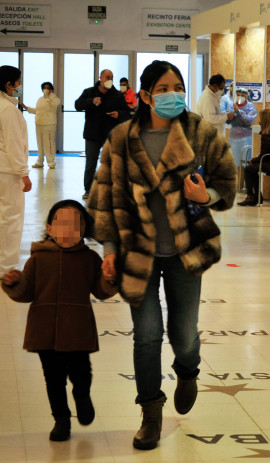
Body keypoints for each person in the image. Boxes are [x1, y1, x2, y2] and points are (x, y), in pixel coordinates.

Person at [88, 60, 237, 450]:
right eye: (165, 87)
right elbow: (103, 197)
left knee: (184, 334)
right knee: (147, 335)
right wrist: (108, 249)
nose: (173, 94)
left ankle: (188, 371)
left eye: (178, 86)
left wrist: (208, 196)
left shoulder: (200, 132)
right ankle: (150, 413)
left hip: (185, 249)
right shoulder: (120, 137)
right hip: (137, 252)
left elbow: (226, 180)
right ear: (147, 94)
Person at [1, 200, 118, 442]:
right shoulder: (38, 259)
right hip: (44, 330)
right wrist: (14, 283)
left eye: (75, 226)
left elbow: (100, 290)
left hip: (77, 329)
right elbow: (27, 292)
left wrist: (109, 278)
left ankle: (82, 396)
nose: (67, 231)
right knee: (53, 378)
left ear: (84, 231)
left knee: (82, 372)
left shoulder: (90, 259)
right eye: (61, 225)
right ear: (50, 229)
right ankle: (61, 419)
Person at [74, 69, 130, 200]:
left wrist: (119, 114)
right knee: (91, 163)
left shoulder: (117, 95)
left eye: (111, 77)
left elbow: (127, 112)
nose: (109, 79)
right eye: (107, 77)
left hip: (110, 135)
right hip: (92, 134)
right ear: (100, 78)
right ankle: (88, 190)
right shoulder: (89, 92)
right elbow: (77, 105)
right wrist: (91, 101)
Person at [0, 65, 32, 275]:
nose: (19, 86)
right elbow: (13, 145)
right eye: (18, 83)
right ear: (8, 84)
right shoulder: (8, 110)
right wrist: (24, 174)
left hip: (3, 168)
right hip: (8, 171)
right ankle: (7, 267)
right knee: (11, 218)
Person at [237, 109, 270, 206]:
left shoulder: (267, 132)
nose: (259, 121)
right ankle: (256, 196)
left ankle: (252, 196)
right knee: (253, 168)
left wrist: (253, 159)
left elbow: (264, 153)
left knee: (248, 169)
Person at [24, 81, 60, 169]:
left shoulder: (54, 99)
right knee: (40, 144)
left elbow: (56, 104)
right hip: (39, 124)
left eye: (48, 88)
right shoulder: (40, 99)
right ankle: (40, 161)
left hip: (49, 125)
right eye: (44, 88)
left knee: (49, 144)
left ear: (51, 89)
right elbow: (37, 111)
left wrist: (51, 95)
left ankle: (51, 162)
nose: (46, 90)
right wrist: (26, 108)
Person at [228, 87, 258, 168]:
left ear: (245, 96)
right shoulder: (232, 106)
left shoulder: (250, 107)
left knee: (245, 162)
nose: (239, 97)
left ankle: (244, 180)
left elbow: (249, 121)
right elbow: (228, 120)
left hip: (246, 138)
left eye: (242, 95)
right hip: (233, 138)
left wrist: (239, 112)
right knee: (233, 163)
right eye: (238, 95)